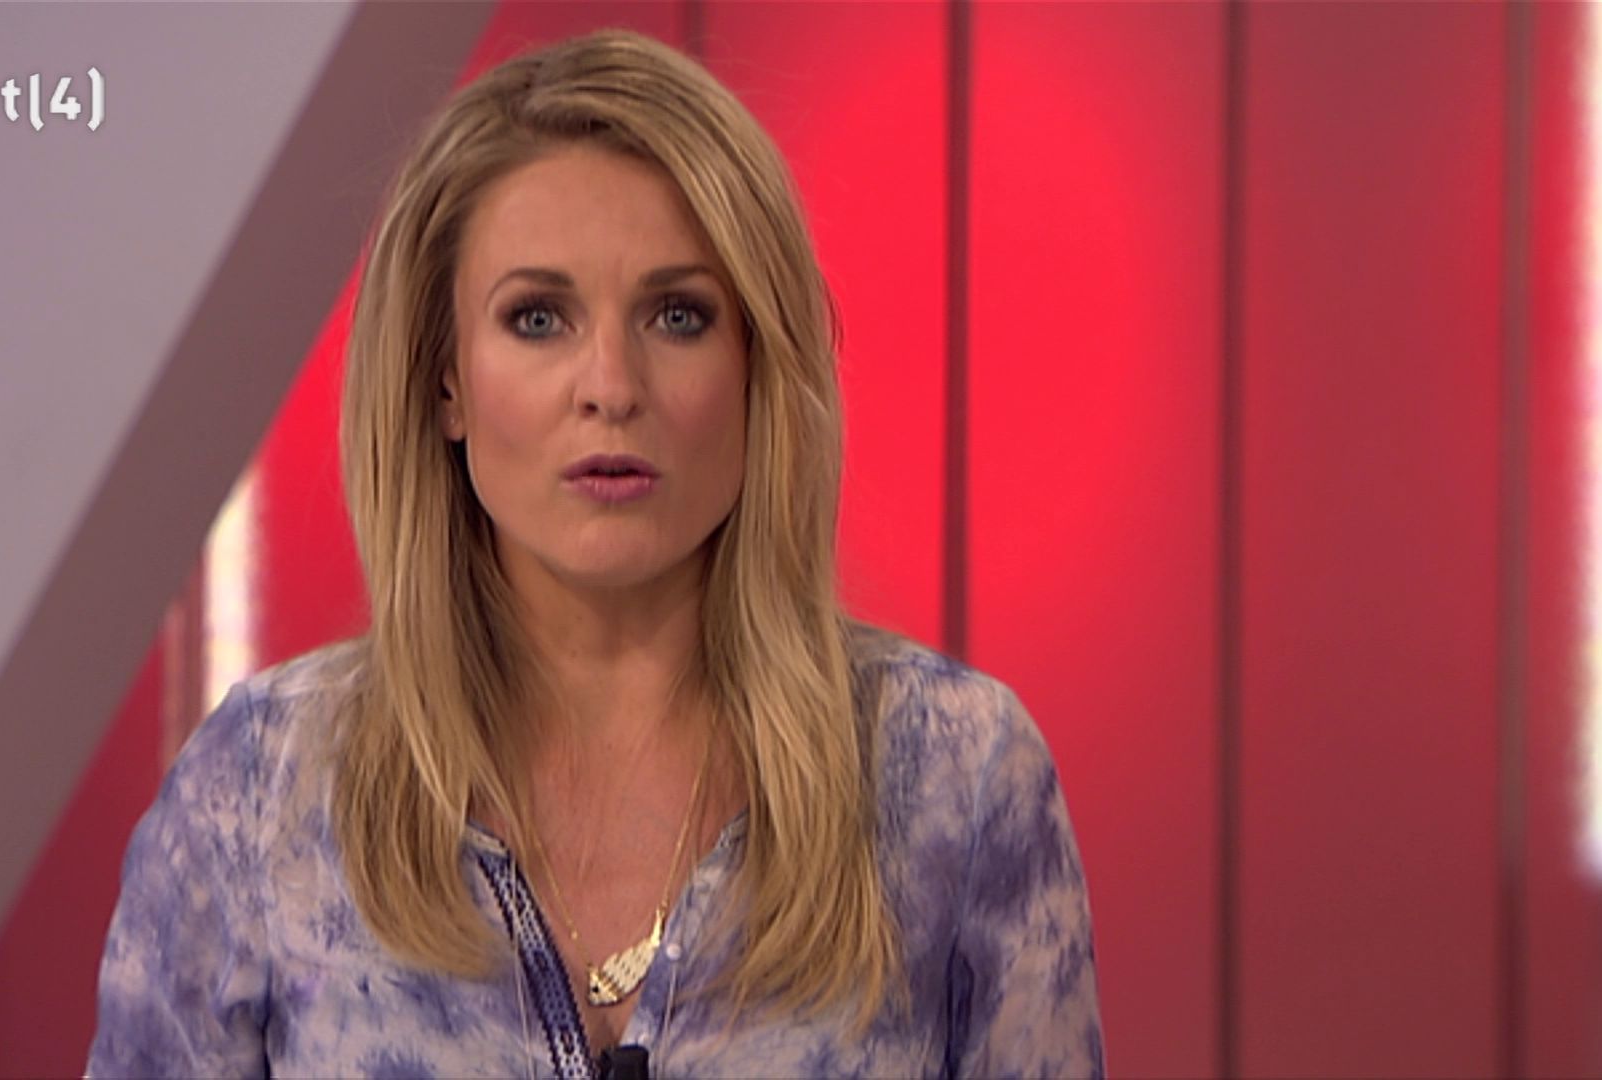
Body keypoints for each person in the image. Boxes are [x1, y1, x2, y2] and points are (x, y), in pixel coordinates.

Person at [86, 27, 1101, 1080]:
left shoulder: (956, 778)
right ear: (444, 381)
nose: (612, 386)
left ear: (757, 366)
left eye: (678, 315)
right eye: (538, 318)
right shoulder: (261, 791)